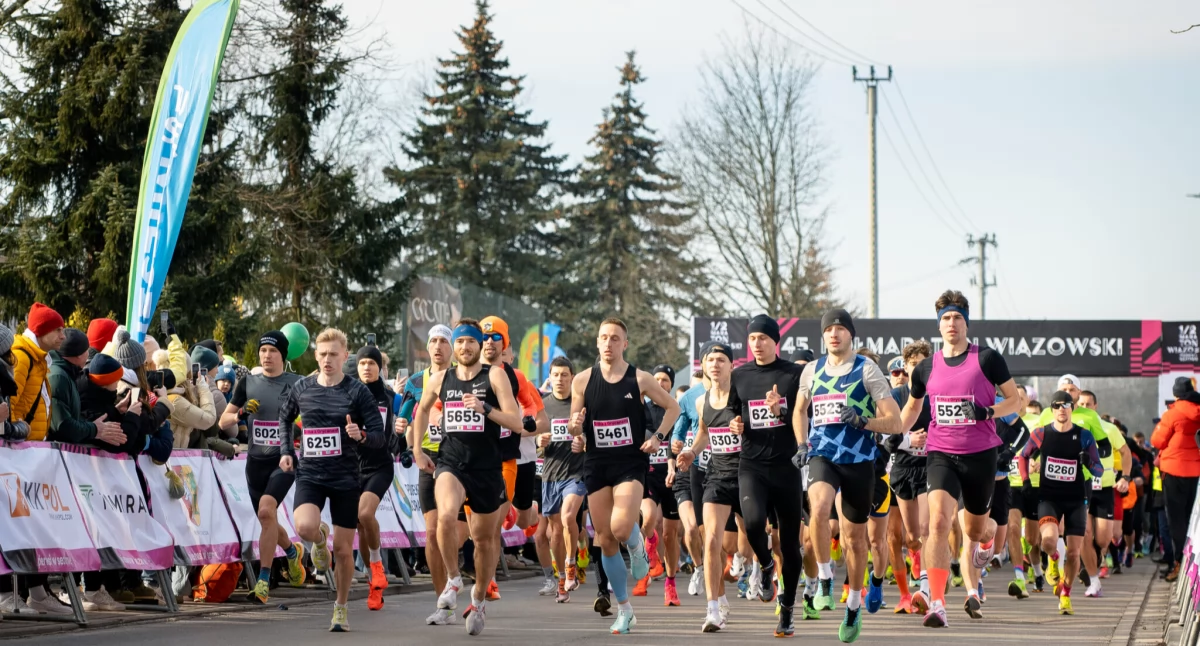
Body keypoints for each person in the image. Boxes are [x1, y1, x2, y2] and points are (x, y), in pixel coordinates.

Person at [898, 291, 1022, 628]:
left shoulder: (987, 359)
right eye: (945, 319)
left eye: (957, 318)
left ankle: (984, 550)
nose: (951, 324)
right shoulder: (925, 368)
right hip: (940, 453)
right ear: (938, 326)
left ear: (966, 322)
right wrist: (895, 434)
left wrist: (988, 411)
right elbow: (911, 409)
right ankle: (937, 602)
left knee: (977, 531)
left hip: (981, 455)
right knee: (937, 523)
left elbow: (1015, 401)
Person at [411, 319, 524, 636]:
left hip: (487, 468)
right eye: (459, 342)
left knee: (485, 541)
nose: (464, 348)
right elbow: (421, 411)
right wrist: (418, 450)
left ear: (479, 345)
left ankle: (478, 600)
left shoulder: (495, 375)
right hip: (451, 463)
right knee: (445, 516)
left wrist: (485, 408)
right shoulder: (441, 377)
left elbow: (515, 421)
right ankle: (453, 578)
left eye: (470, 343)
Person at [568, 318, 680, 635]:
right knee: (604, 539)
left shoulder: (640, 379)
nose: (608, 343)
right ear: (597, 342)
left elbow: (672, 407)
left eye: (615, 338)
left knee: (620, 527)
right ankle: (625, 609)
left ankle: (638, 547)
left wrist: (658, 436)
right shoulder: (582, 381)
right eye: (603, 337)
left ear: (624, 344)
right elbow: (574, 426)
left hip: (630, 463)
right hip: (597, 463)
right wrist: (576, 429)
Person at [796, 310, 900, 642]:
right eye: (828, 329)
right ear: (823, 336)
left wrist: (863, 422)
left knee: (856, 540)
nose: (834, 334)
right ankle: (825, 576)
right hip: (822, 454)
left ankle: (853, 605)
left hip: (859, 460)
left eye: (840, 328)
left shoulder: (866, 370)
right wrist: (801, 443)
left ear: (851, 335)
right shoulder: (812, 370)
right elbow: (800, 409)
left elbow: (895, 422)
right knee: (821, 506)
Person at [278, 328, 386, 632]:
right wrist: (287, 451)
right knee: (305, 527)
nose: (327, 360)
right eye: (322, 354)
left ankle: (340, 607)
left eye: (333, 355)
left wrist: (361, 435)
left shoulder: (357, 392)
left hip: (346, 478)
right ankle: (317, 538)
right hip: (311, 473)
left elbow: (380, 436)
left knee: (342, 550)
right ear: (316, 355)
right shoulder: (302, 387)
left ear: (345, 356)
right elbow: (284, 418)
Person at [727, 315, 806, 638]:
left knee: (790, 544)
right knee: (755, 523)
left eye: (763, 338)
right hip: (753, 465)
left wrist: (781, 411)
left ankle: (787, 609)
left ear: (776, 342)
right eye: (752, 339)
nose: (757, 344)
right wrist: (735, 424)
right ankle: (765, 565)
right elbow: (734, 411)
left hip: (787, 467)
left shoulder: (794, 374)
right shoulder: (740, 375)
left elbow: (806, 416)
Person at [220, 331, 307, 604]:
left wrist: (295, 428)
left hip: (284, 460)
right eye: (263, 351)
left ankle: (263, 581)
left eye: (272, 351)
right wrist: (242, 413)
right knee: (266, 519)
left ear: (283, 355)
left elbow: (312, 419)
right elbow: (223, 423)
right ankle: (292, 553)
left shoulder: (297, 383)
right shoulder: (248, 382)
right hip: (255, 463)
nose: (266, 356)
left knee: (267, 510)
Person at [2, 303, 67, 614]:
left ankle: (38, 591)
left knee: (34, 525)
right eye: (58, 330)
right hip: (16, 453)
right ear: (41, 331)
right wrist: (13, 433)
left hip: (31, 453)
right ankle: (7, 593)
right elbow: (11, 400)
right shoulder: (22, 354)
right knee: (12, 525)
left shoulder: (40, 357)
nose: (63, 335)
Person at [1038, 377, 1128, 598]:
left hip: (1086, 482)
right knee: (1063, 530)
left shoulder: (1089, 417)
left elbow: (1105, 448)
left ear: (1078, 393)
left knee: (1099, 538)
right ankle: (1063, 567)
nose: (1068, 393)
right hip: (1053, 484)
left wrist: (1090, 458)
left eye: (1072, 390)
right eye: (1063, 389)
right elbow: (1037, 442)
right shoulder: (1046, 415)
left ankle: (1081, 562)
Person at [478, 316, 547, 601]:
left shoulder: (518, 378)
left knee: (521, 520)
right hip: (483, 460)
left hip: (519, 457)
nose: (490, 344)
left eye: (497, 340)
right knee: (489, 526)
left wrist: (526, 425)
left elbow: (541, 419)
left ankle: (531, 512)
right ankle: (489, 580)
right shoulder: (466, 374)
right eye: (485, 338)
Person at [1018, 390, 1104, 615]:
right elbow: (1023, 455)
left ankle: (1065, 592)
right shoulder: (1041, 433)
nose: (1062, 409)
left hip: (1076, 499)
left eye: (1066, 405)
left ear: (1072, 409)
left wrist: (1089, 463)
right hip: (1049, 497)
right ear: (1052, 410)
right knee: (1047, 540)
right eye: (1057, 405)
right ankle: (1054, 559)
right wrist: (1026, 480)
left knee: (1075, 553)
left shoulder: (1084, 435)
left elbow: (1099, 468)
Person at [398, 324, 456, 625]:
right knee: (432, 533)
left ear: (453, 347)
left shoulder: (463, 378)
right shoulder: (418, 381)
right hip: (430, 460)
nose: (437, 346)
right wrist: (403, 428)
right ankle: (443, 603)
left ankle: (457, 578)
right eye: (433, 340)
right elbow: (406, 414)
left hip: (460, 459)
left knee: (458, 534)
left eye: (443, 341)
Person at [882, 340, 932, 615]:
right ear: (906, 367)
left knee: (926, 529)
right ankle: (916, 558)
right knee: (911, 537)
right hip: (902, 468)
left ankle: (924, 588)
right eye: (913, 364)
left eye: (923, 363)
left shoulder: (938, 394)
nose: (918, 368)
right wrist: (907, 440)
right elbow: (883, 434)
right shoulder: (897, 395)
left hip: (932, 467)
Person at [354, 343, 404, 611]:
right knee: (361, 526)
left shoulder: (390, 397)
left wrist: (402, 435)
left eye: (371, 363)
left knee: (365, 514)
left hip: (380, 466)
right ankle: (373, 581)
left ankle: (376, 566)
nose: (366, 368)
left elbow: (400, 433)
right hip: (352, 467)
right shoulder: (347, 393)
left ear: (380, 368)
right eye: (362, 363)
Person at [536, 357, 588, 604]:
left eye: (565, 375)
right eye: (555, 375)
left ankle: (570, 563)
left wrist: (583, 442)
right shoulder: (542, 405)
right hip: (550, 475)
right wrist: (539, 443)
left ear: (572, 377)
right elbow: (531, 440)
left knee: (569, 517)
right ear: (550, 377)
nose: (560, 379)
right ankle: (560, 579)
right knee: (554, 532)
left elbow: (592, 435)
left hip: (576, 473)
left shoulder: (580, 405)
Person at [633, 364, 681, 602]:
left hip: (673, 476)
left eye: (665, 381)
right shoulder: (641, 407)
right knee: (649, 518)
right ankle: (647, 564)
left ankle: (670, 583)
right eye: (657, 379)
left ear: (671, 385)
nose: (660, 384)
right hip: (648, 472)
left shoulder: (676, 409)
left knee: (671, 534)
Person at [1151, 377, 1200, 582]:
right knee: (1193, 520)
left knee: (1176, 520)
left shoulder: (1173, 413)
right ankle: (1187, 564)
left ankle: (1178, 563)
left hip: (1173, 471)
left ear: (1176, 394)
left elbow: (1157, 440)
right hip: (1195, 470)